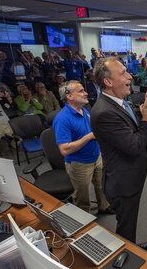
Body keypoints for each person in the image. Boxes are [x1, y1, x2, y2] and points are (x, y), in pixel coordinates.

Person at [91, 57, 147, 243]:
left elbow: (128, 127)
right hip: (122, 184)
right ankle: (126, 255)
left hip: (130, 178)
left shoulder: (118, 102)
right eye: (123, 73)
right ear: (108, 82)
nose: (130, 75)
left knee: (130, 222)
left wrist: (140, 113)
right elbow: (135, 146)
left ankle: (131, 248)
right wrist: (146, 118)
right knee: (126, 229)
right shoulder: (104, 112)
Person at [53, 80, 111, 214]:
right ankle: (85, 217)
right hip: (79, 164)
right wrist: (89, 137)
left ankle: (103, 206)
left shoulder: (84, 110)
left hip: (96, 156)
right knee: (82, 196)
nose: (85, 93)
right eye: (81, 91)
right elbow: (64, 149)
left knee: (101, 185)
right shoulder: (62, 119)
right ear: (69, 96)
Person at [0, 84, 14, 155]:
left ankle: (12, 148)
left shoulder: (0, 98)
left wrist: (8, 98)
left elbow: (9, 107)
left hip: (5, 121)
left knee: (13, 137)